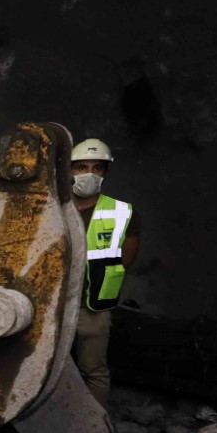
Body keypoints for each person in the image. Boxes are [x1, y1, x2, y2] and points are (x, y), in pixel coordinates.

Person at [69, 138, 138, 406]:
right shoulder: (50, 208)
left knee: (93, 369)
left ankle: (94, 425)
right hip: (53, 304)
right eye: (81, 167)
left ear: (105, 172)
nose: (89, 174)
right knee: (48, 368)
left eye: (97, 168)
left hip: (93, 307)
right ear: (69, 170)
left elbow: (127, 259)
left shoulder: (122, 212)